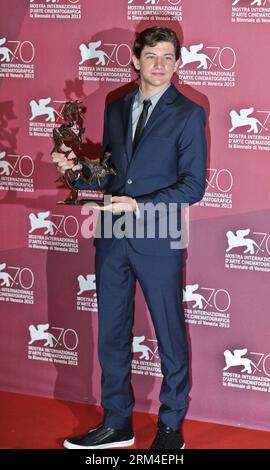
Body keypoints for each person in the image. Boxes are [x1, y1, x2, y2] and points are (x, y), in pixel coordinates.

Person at [52, 26, 207, 449]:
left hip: (159, 236)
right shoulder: (115, 105)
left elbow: (193, 186)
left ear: (178, 62)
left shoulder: (190, 113)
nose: (161, 65)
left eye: (169, 57)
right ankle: (116, 422)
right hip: (113, 234)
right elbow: (111, 173)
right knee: (112, 333)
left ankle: (171, 425)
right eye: (152, 56)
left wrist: (137, 205)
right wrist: (74, 168)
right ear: (135, 59)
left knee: (170, 333)